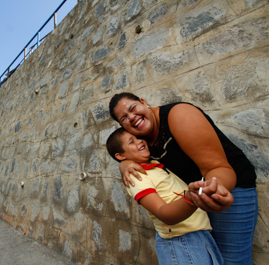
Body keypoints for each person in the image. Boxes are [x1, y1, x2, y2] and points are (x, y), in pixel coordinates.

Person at [108, 92, 258, 265]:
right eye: (124, 118)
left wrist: (212, 191)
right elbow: (128, 151)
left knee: (233, 260)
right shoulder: (141, 137)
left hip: (227, 188)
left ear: (143, 102)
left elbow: (218, 168)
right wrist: (124, 164)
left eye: (133, 108)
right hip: (195, 199)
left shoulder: (179, 116)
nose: (132, 117)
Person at [106, 127, 223, 265]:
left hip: (197, 235)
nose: (139, 141)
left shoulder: (154, 164)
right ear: (120, 156)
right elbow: (163, 213)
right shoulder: (136, 178)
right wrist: (191, 198)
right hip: (181, 241)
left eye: (138, 137)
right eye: (131, 141)